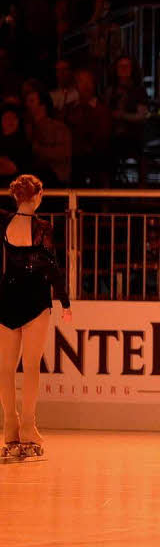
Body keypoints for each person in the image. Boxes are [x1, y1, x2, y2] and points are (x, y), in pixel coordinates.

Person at [0, 175, 72, 459]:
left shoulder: (4, 222)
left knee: (6, 368)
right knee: (30, 366)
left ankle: (10, 427)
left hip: (7, 296)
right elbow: (51, 267)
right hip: (35, 299)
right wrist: (65, 301)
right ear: (37, 197)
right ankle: (28, 426)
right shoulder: (42, 228)